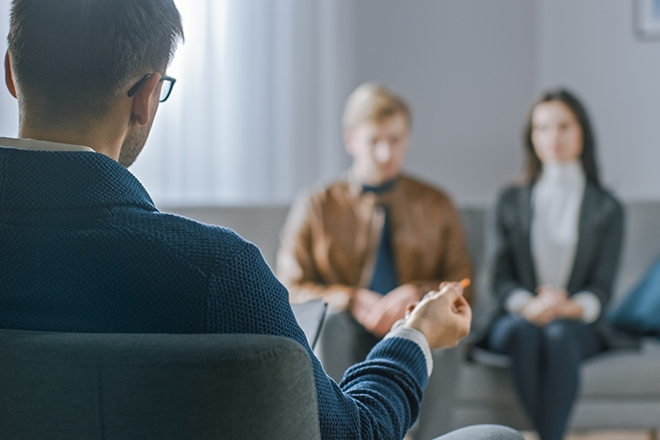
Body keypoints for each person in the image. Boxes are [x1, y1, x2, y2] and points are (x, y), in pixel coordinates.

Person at [0, 1, 523, 440]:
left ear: (10, 74)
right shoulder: (217, 270)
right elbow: (349, 433)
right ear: (144, 98)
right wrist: (417, 335)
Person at [276, 82, 473, 439]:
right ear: (351, 140)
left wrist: (417, 294)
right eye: (374, 141)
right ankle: (342, 432)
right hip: (347, 329)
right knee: (333, 322)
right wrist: (350, 299)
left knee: (443, 332)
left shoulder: (436, 203)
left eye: (395, 140)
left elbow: (461, 283)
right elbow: (288, 287)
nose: (385, 153)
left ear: (408, 137)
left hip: (414, 324)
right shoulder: (317, 204)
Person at [485, 89, 624, 440]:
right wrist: (529, 305)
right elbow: (499, 279)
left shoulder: (607, 208)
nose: (553, 137)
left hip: (575, 322)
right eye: (542, 128)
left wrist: (568, 307)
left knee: (558, 335)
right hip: (519, 318)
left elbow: (602, 289)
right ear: (531, 137)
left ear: (582, 133)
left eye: (564, 126)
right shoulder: (509, 200)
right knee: (524, 332)